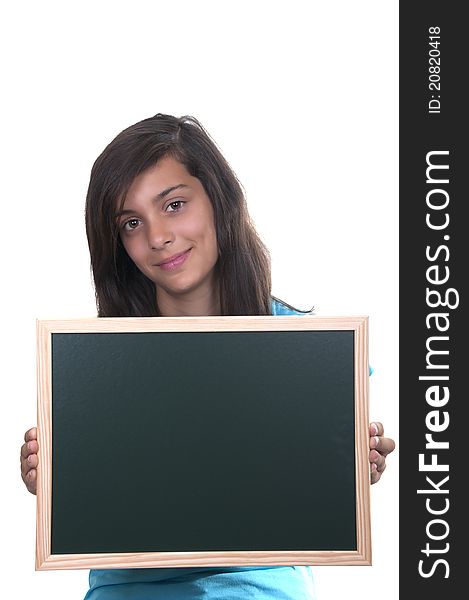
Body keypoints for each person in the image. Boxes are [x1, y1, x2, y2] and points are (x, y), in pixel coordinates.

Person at [20, 113, 395, 599]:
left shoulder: (311, 350)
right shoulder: (96, 367)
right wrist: (55, 486)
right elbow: (103, 505)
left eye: (174, 205)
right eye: (132, 223)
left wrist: (348, 471)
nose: (157, 236)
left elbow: (308, 501)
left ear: (219, 198)